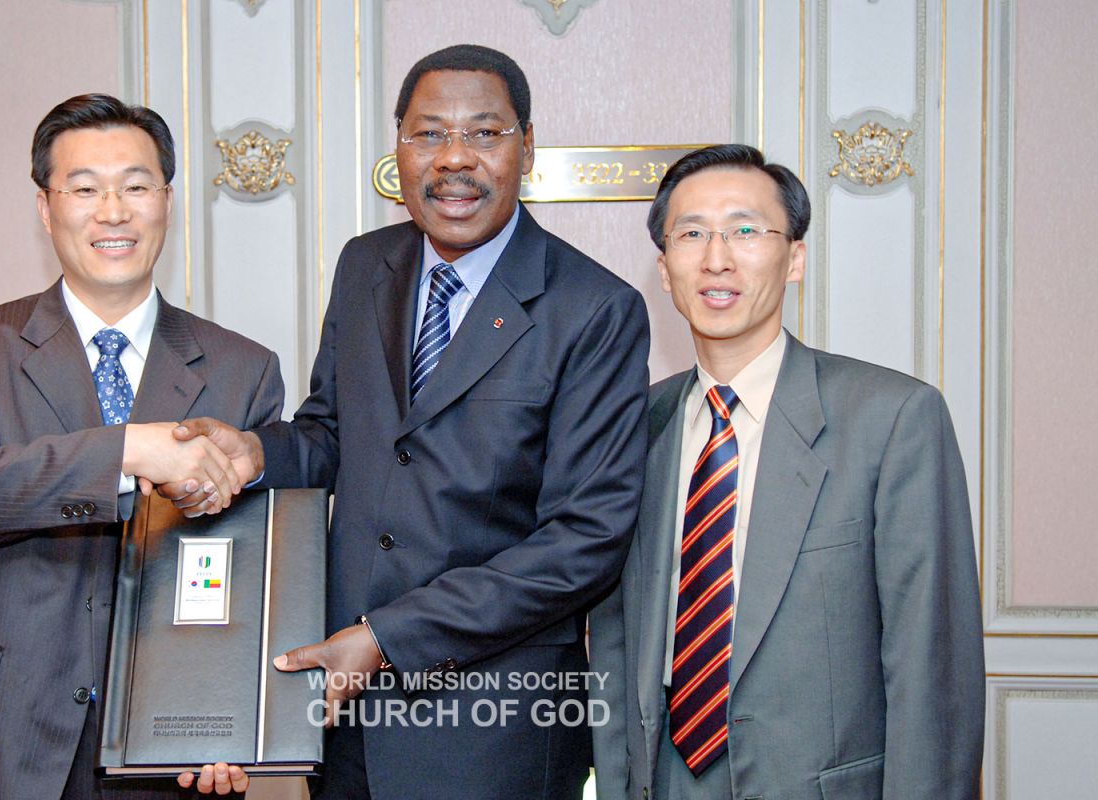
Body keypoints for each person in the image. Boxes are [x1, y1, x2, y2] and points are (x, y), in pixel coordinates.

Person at [166, 45, 650, 799]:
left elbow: (585, 540)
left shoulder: (594, 309)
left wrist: (391, 640)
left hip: (495, 728)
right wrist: (254, 453)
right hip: (342, 710)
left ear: (528, 147)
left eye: (485, 134)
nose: (454, 159)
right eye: (428, 133)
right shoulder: (367, 265)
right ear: (398, 148)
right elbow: (331, 435)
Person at [588, 144, 985, 799]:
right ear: (664, 268)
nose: (717, 258)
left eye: (746, 230)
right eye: (691, 234)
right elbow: (613, 640)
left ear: (794, 257)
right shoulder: (636, 427)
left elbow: (932, 671)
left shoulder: (892, 419)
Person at [0, 94, 274, 800]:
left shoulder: (243, 368)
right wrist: (127, 452)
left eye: (136, 186)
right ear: (47, 209)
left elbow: (252, 568)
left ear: (166, 202)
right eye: (84, 188)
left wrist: (236, 720)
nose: (113, 211)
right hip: (11, 728)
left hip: (172, 739)